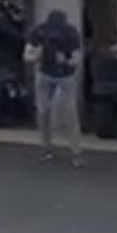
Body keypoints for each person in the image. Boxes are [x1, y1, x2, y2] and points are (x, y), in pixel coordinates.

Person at [25, 9, 84, 167]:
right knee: (43, 110)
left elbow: (77, 59)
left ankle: (76, 151)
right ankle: (46, 148)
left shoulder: (71, 34)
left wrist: (66, 60)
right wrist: (36, 55)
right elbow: (27, 55)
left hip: (66, 76)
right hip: (45, 74)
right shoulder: (39, 32)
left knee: (69, 113)